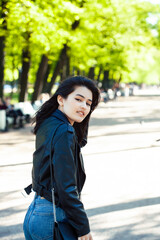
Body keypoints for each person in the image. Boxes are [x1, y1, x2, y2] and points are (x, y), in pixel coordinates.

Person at [23, 76, 100, 240]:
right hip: (52, 218)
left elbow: (79, 142)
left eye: (88, 103)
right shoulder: (64, 131)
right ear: (61, 99)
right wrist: (83, 227)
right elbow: (66, 187)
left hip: (36, 212)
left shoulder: (49, 122)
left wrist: (79, 121)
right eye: (78, 99)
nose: (83, 106)